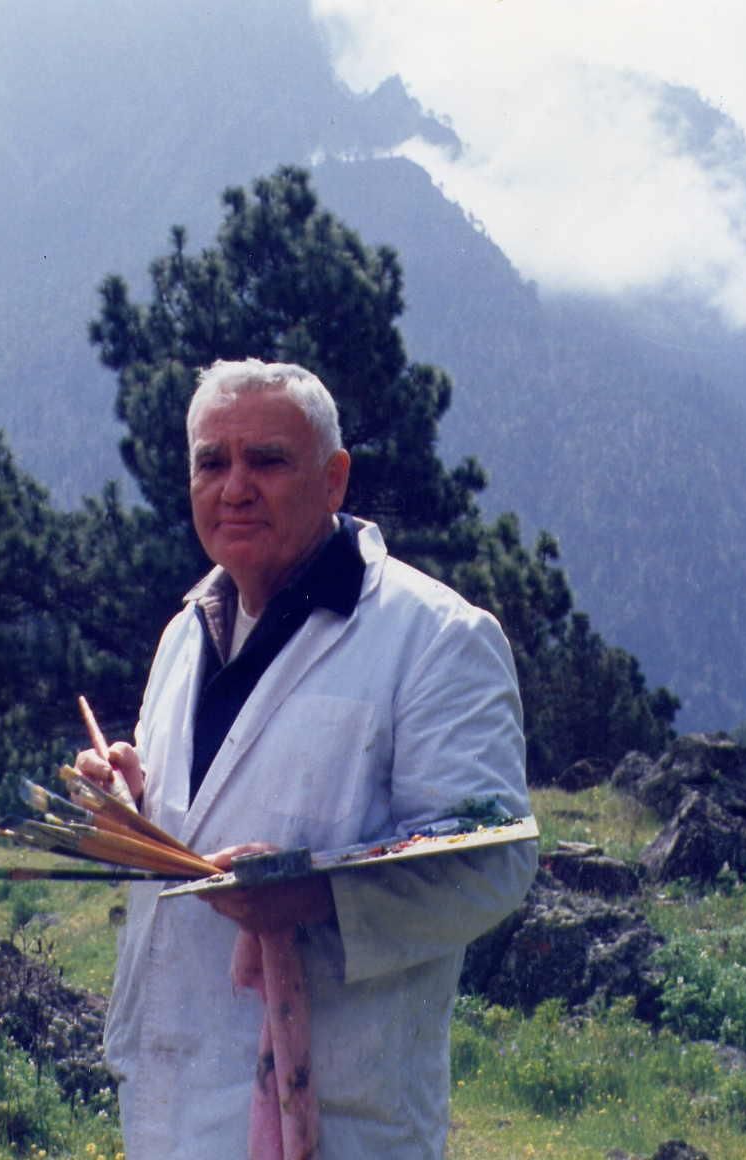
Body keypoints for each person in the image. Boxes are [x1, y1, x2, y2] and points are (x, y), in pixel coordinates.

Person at [75, 358, 537, 1158]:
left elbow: (494, 864)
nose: (234, 487)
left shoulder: (435, 637)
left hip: (336, 1114)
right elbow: (211, 810)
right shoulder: (185, 633)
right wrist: (134, 804)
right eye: (211, 462)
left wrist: (318, 899)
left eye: (267, 461)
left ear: (334, 480)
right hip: (172, 1098)